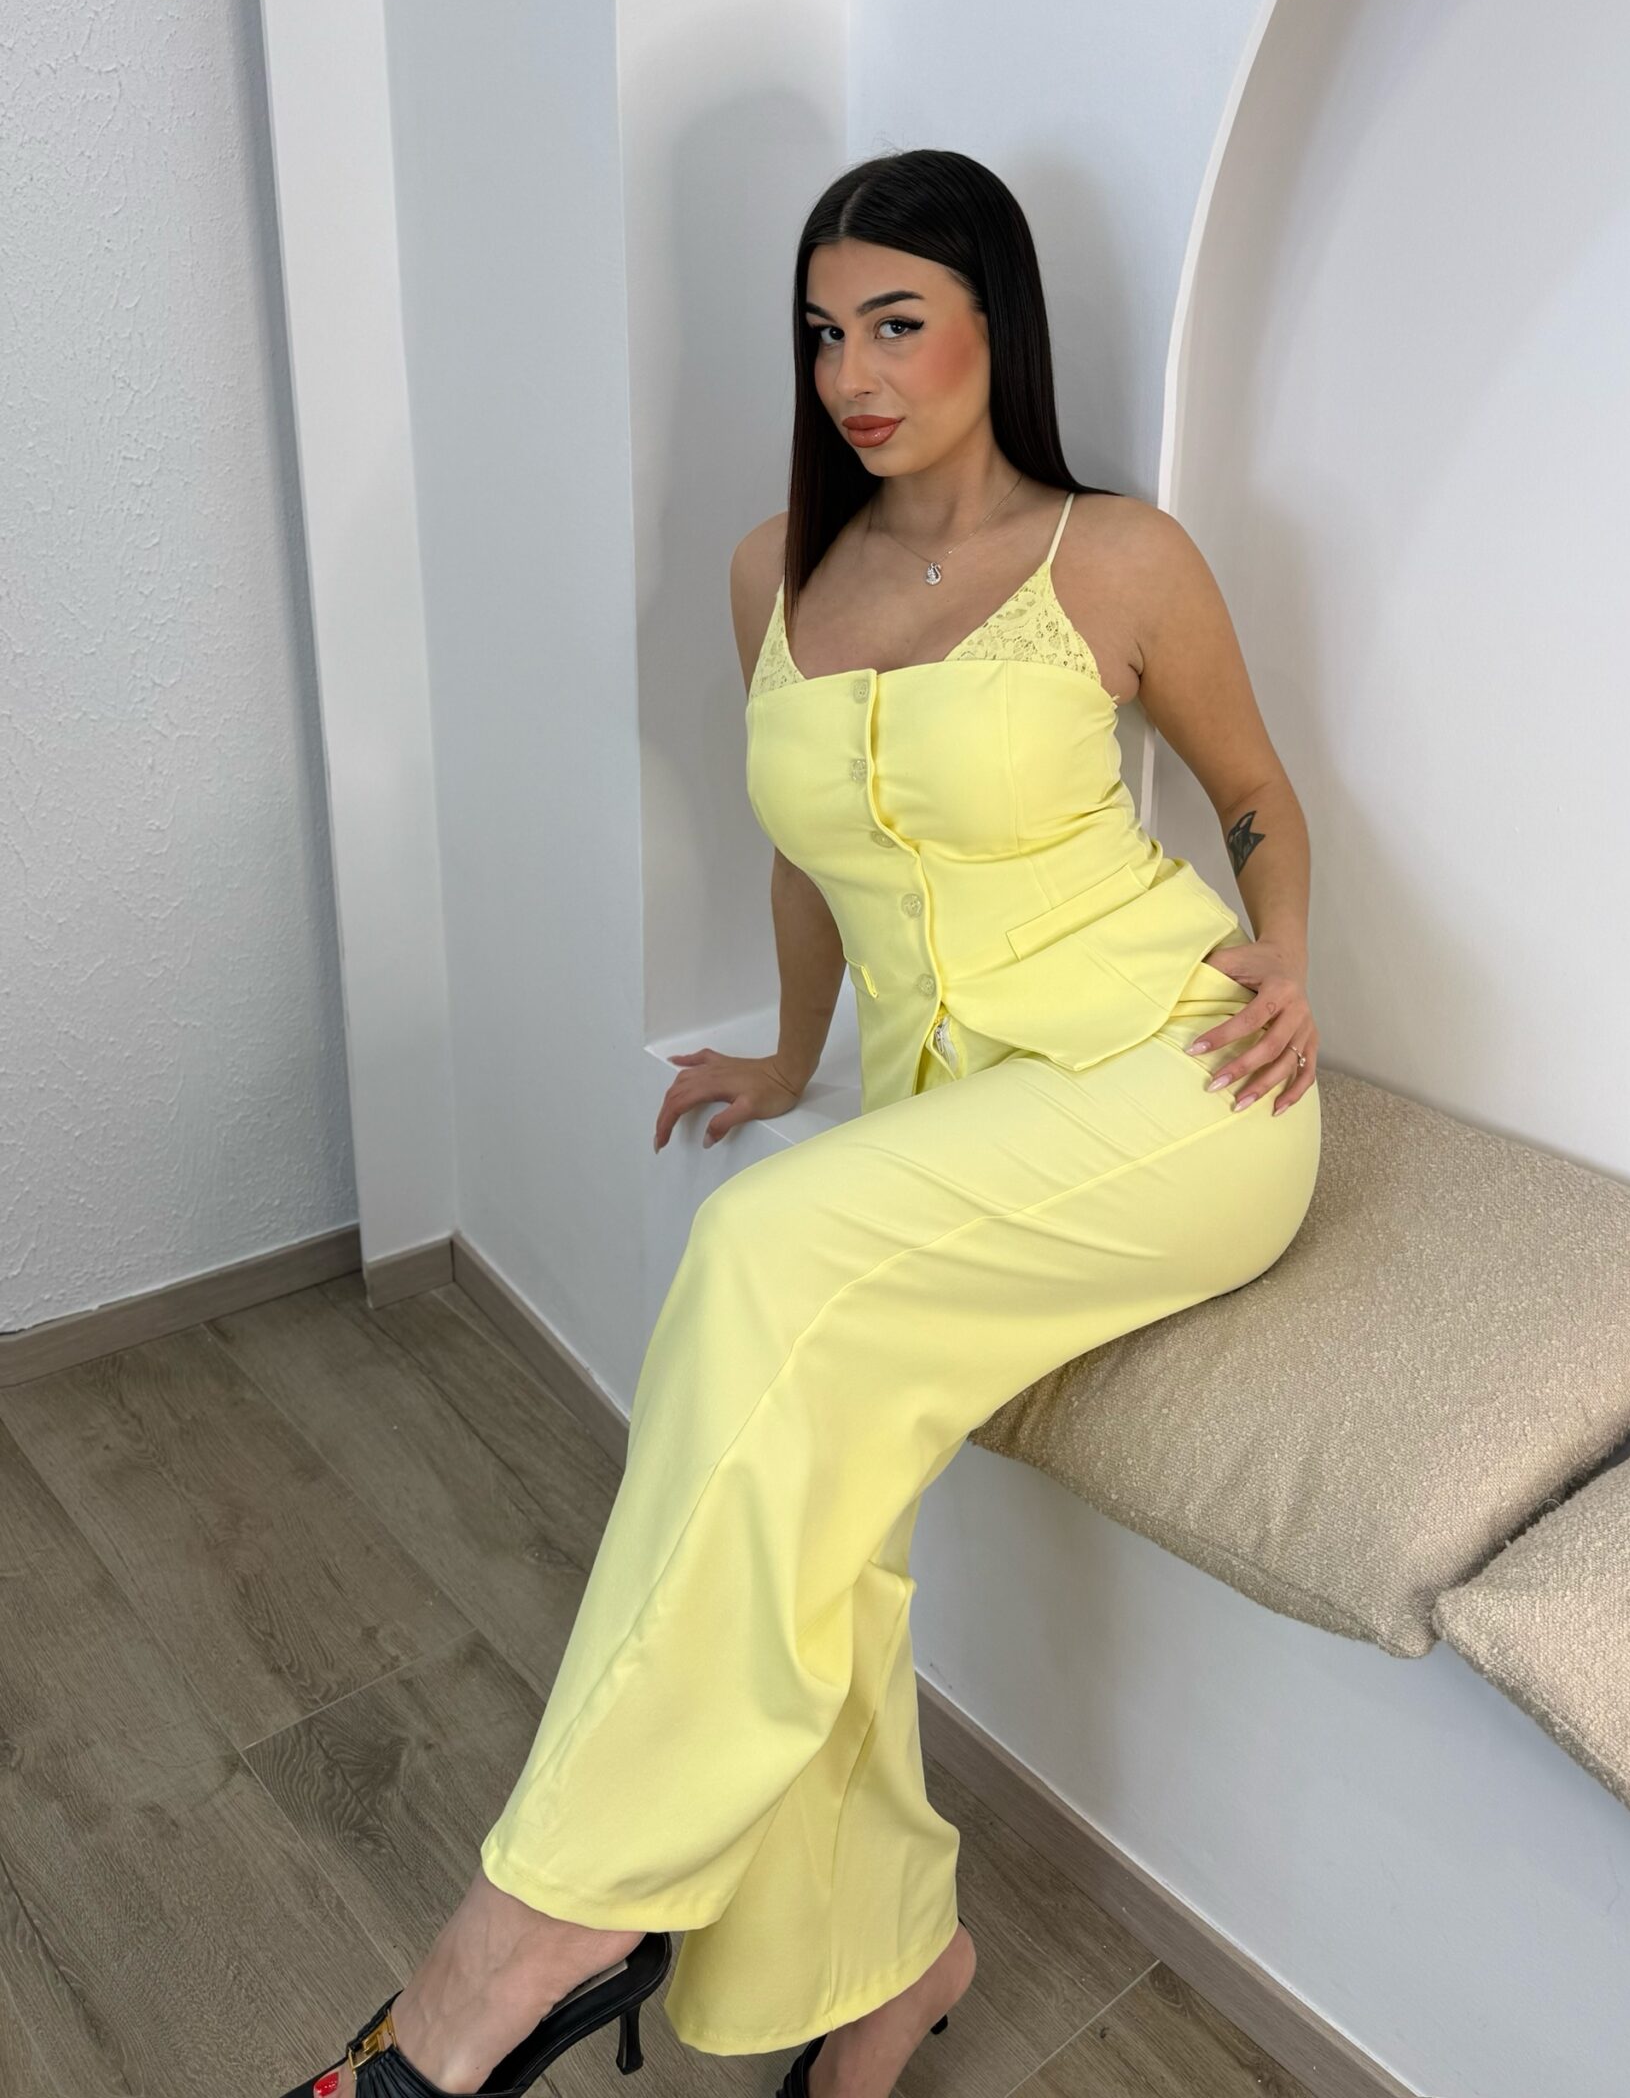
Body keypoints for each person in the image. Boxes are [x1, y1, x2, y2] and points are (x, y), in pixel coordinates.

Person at [282, 149, 1322, 2098]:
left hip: (1179, 1076)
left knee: (763, 1246)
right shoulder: (774, 569)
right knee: (808, 1488)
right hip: (958, 1106)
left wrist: (1287, 951)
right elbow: (806, 849)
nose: (853, 371)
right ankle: (896, 1966)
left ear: (994, 325)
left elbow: (1256, 791)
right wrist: (782, 1057)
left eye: (897, 323)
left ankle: (543, 1925)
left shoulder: (1118, 557)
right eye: (824, 331)